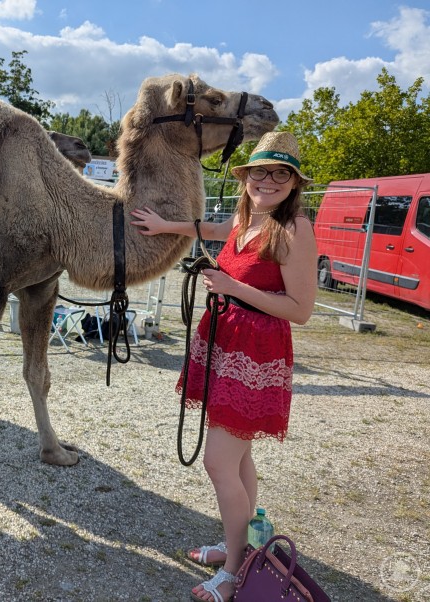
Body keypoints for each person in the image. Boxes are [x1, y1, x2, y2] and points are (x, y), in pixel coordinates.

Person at [130, 131, 317, 602]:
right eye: (260, 171)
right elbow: (214, 232)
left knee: (219, 461)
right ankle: (244, 545)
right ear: (247, 177)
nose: (268, 180)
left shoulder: (295, 228)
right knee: (239, 457)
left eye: (280, 173)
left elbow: (300, 309)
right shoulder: (247, 218)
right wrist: (166, 225)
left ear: (293, 182)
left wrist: (232, 288)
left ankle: (235, 572)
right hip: (226, 344)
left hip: (255, 353)